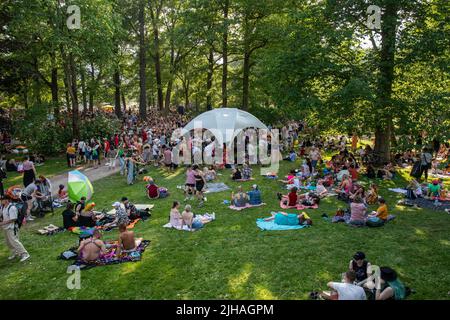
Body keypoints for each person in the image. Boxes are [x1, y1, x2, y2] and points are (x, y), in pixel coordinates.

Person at [0, 195, 30, 262]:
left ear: (7, 200)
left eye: (2, 200)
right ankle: (15, 252)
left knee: (14, 241)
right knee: (8, 242)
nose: (1, 201)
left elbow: (13, 219)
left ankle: (25, 254)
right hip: (5, 228)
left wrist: (2, 223)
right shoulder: (3, 207)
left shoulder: (12, 207)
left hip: (12, 227)